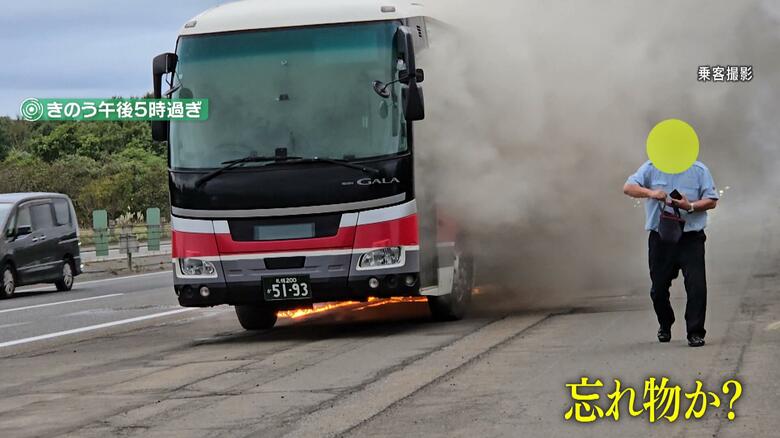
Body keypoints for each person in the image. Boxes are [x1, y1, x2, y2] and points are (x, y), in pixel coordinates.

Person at [623, 160, 719, 347]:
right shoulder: (650, 168)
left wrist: (689, 206)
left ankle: (695, 332)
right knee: (658, 288)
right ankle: (665, 323)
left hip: (691, 237)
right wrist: (651, 193)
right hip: (661, 237)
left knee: (696, 285)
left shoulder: (699, 170)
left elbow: (712, 200)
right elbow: (628, 188)